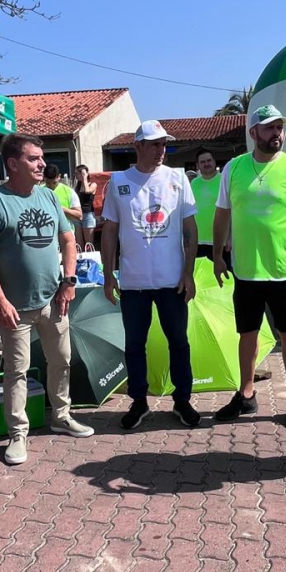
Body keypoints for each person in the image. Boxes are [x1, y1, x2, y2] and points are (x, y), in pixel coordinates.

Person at [0, 134, 93, 466]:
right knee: (16, 371)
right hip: (14, 306)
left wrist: (69, 281)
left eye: (41, 157)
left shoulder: (48, 197)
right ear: (13, 163)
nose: (42, 163)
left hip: (54, 300)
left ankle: (62, 416)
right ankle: (17, 434)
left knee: (62, 360)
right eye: (33, 158)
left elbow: (68, 240)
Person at [213, 104, 286, 433]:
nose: (276, 133)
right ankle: (246, 394)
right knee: (247, 334)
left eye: (279, 127)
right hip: (246, 270)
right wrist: (218, 255)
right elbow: (222, 213)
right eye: (269, 127)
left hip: (283, 270)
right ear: (253, 132)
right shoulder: (234, 168)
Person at [101, 120, 200, 431]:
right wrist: (108, 275)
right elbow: (110, 231)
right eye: (155, 144)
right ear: (138, 146)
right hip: (133, 283)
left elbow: (189, 227)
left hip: (172, 281)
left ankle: (182, 400)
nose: (161, 150)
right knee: (134, 345)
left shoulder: (178, 178)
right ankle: (139, 401)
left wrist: (188, 273)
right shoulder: (118, 182)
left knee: (179, 342)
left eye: (164, 144)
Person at [191, 146, 230, 269]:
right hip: (198, 241)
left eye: (209, 160)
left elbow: (233, 211)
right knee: (201, 277)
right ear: (198, 165)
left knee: (226, 276)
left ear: (214, 161)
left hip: (221, 242)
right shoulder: (194, 183)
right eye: (202, 162)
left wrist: (230, 238)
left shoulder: (225, 181)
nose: (206, 164)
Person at [44, 164, 83, 229]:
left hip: (66, 232)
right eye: (48, 183)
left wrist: (62, 209)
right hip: (46, 233)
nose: (51, 186)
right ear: (44, 178)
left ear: (59, 177)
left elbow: (79, 216)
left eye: (54, 182)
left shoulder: (69, 191)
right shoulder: (38, 191)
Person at [73, 164, 98, 246]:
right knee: (78, 243)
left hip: (88, 215)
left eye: (78, 173)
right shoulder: (77, 186)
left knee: (89, 244)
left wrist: (84, 177)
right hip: (78, 215)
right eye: (75, 174)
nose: (76, 176)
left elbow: (87, 191)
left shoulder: (93, 184)